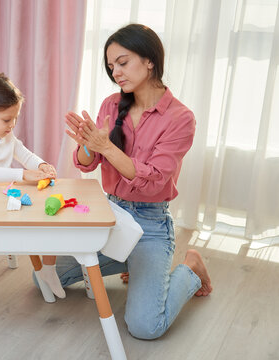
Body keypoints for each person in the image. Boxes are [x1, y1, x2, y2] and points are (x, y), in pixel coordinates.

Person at [62, 24, 213, 339]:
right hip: (111, 215)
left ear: (149, 61)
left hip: (150, 224)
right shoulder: (110, 104)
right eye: (110, 66)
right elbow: (86, 164)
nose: (115, 72)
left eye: (122, 61)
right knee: (48, 278)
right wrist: (89, 144)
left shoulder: (180, 118)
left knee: (146, 327)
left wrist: (105, 146)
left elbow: (154, 180)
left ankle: (191, 268)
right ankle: (129, 262)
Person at [0, 72, 65, 298]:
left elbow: (25, 154)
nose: (12, 125)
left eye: (15, 119)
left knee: (49, 214)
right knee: (35, 218)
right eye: (7, 120)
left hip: (2, 197)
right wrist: (25, 175)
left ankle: (48, 267)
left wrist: (42, 165)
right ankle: (44, 266)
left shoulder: (6, 135)